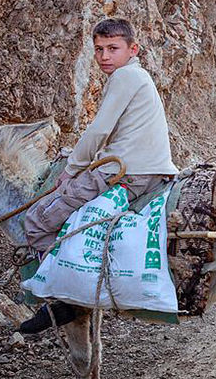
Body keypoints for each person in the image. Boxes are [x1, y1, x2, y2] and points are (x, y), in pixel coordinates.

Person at [20, 18, 179, 333]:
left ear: (132, 49)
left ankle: (66, 298)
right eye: (99, 50)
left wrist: (71, 169)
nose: (105, 56)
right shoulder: (139, 77)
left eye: (113, 48)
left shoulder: (125, 77)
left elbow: (100, 130)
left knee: (37, 220)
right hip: (147, 169)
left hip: (124, 171)